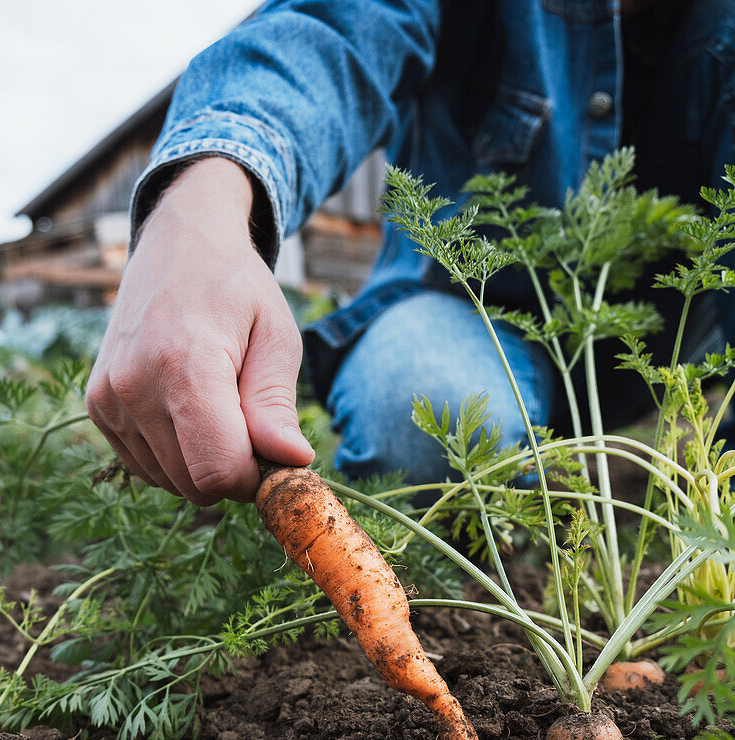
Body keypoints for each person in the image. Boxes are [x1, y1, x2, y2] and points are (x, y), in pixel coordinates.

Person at [86, 0, 734, 505]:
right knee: (419, 409)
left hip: (672, 350)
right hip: (477, 324)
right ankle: (491, 534)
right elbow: (331, 35)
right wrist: (205, 199)